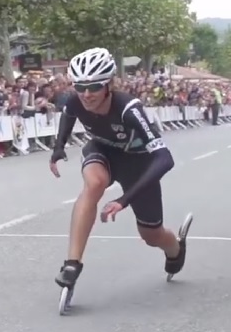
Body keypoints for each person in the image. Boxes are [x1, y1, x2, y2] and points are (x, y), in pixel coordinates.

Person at [49, 47, 185, 290]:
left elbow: (165, 159)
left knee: (151, 236)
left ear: (109, 84)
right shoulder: (75, 101)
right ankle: (72, 264)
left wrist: (124, 200)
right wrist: (58, 147)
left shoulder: (129, 109)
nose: (86, 94)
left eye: (94, 87)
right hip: (103, 151)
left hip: (139, 163)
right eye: (80, 87)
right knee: (94, 184)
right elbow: (68, 115)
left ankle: (174, 246)